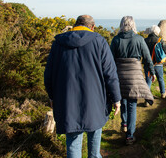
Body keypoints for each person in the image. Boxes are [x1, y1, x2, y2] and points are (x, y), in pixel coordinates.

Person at [44, 15, 121, 158]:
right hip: (96, 103)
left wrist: (52, 96)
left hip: (68, 103)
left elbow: (48, 74)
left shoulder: (58, 43)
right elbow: (110, 74)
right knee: (94, 150)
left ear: (75, 25)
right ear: (92, 27)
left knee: (73, 145)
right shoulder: (99, 41)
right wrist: (116, 99)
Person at [110, 16, 156, 145]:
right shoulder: (139, 39)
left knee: (123, 100)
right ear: (133, 25)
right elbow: (147, 58)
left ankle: (124, 123)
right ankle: (130, 136)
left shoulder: (115, 40)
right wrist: (152, 72)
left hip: (119, 75)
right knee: (132, 105)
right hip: (134, 75)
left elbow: (110, 60)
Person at [144, 25, 166, 102]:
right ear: (157, 32)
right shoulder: (160, 40)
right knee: (160, 78)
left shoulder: (144, 40)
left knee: (148, 81)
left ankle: (147, 99)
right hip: (158, 63)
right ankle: (163, 93)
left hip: (147, 64)